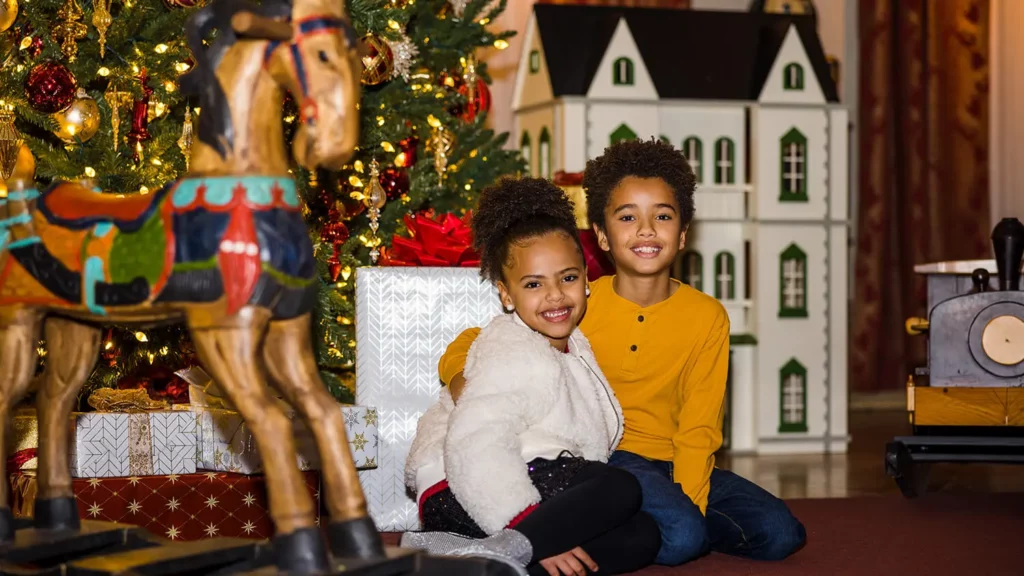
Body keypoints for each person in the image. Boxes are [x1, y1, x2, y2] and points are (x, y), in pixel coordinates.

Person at [437, 138, 806, 566]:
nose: (646, 230)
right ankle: (580, 535)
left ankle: (661, 524)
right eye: (627, 217)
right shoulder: (576, 301)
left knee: (782, 534)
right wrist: (459, 375)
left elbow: (699, 429)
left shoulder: (708, 316)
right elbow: (478, 339)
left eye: (662, 216)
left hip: (675, 461)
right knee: (682, 537)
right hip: (603, 460)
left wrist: (689, 500)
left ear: (683, 233)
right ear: (602, 236)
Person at [401, 176, 661, 576]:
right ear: (507, 295)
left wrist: (548, 535)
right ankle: (509, 547)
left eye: (568, 278)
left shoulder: (573, 345)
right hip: (463, 485)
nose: (555, 295)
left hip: (527, 478)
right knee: (619, 487)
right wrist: (523, 525)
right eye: (534, 284)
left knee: (642, 535)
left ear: (586, 281)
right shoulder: (516, 353)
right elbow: (473, 443)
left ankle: (479, 561)